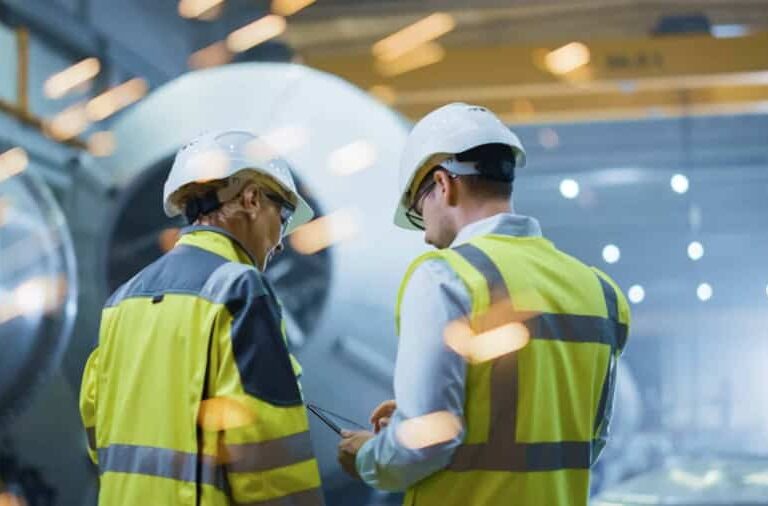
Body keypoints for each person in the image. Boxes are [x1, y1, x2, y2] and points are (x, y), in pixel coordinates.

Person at [338, 104, 630, 505]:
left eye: (418, 212)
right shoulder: (601, 292)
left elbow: (428, 441)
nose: (425, 236)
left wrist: (370, 456)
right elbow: (580, 437)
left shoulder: (446, 277)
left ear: (443, 184)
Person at [80, 130, 325, 505]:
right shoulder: (239, 290)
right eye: (284, 215)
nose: (280, 240)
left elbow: (98, 432)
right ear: (251, 199)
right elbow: (268, 459)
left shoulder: (121, 301)